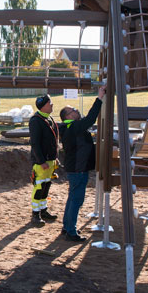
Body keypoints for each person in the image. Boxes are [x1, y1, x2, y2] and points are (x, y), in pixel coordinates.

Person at [58, 85, 106, 242]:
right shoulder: (74, 127)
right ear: (68, 116)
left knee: (72, 198)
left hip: (76, 169)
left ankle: (67, 227)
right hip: (78, 170)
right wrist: (99, 98)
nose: (77, 111)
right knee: (76, 199)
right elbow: (91, 118)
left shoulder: (70, 127)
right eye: (74, 110)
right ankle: (71, 232)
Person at [28, 94, 60, 226]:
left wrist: (55, 158)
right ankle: (35, 213)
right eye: (49, 103)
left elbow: (53, 141)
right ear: (43, 106)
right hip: (42, 162)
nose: (52, 105)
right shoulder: (36, 120)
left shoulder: (49, 119)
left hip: (50, 160)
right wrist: (41, 161)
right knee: (39, 186)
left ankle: (43, 210)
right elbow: (35, 143)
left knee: (46, 186)